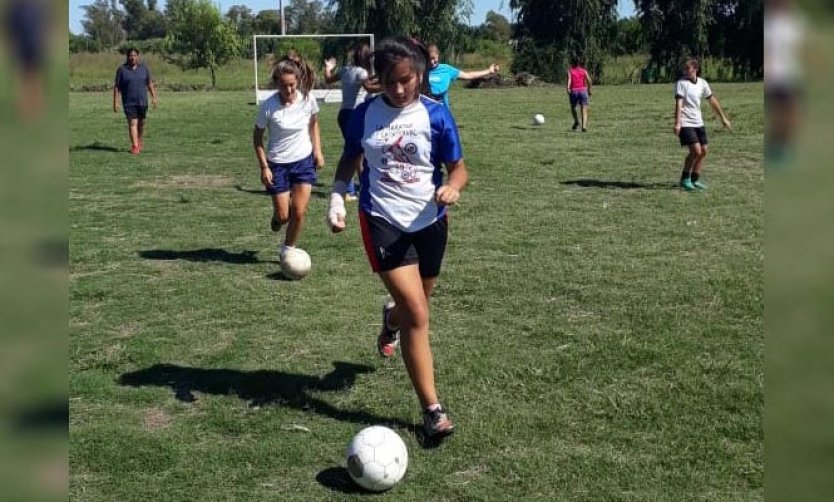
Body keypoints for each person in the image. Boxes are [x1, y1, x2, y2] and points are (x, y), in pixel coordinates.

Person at [326, 37, 469, 440]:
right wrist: (337, 197)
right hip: (382, 219)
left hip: (431, 221)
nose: (400, 89)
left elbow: (458, 167)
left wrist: (454, 187)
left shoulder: (436, 116)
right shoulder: (365, 115)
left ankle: (389, 321)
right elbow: (350, 157)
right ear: (379, 80)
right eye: (391, 82)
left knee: (414, 308)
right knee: (419, 315)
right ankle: (432, 410)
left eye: (406, 80)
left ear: (419, 75)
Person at [253, 54, 324, 260]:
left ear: (298, 81)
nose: (289, 90)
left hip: (303, 161)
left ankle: (287, 251)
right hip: (277, 165)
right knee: (284, 215)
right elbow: (257, 139)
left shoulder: (307, 100)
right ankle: (278, 218)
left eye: (292, 85)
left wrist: (317, 150)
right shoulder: (268, 106)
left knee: (299, 211)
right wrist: (264, 167)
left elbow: (313, 124)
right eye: (284, 86)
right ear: (277, 84)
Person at [324, 43, 382, 201]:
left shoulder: (345, 70)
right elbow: (369, 88)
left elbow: (328, 79)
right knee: (356, 151)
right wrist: (389, 86)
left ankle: (360, 185)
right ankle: (349, 190)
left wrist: (328, 67)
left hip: (343, 114)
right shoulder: (362, 72)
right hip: (355, 114)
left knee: (357, 150)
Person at [674, 58, 731, 191]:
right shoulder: (681, 83)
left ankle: (694, 180)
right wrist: (677, 123)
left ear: (695, 69)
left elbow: (712, 100)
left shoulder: (702, 83)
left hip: (698, 122)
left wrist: (723, 118)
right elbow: (679, 104)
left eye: (688, 68)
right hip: (686, 122)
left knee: (704, 151)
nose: (685, 71)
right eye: (684, 68)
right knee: (695, 151)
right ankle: (684, 179)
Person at [113, 48, 158, 155]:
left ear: (138, 56)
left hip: (142, 101)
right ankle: (135, 146)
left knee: (141, 124)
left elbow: (149, 83)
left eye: (134, 55)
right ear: (127, 57)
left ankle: (139, 140)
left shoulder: (144, 68)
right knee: (133, 123)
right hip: (129, 102)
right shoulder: (122, 70)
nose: (132, 57)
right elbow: (117, 87)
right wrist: (115, 102)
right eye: (130, 55)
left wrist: (154, 97)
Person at [426, 43, 499, 107]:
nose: (432, 62)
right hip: (426, 114)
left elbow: (468, 75)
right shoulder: (421, 71)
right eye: (429, 59)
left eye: (433, 58)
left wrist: (488, 71)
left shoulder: (447, 69)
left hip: (444, 114)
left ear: (438, 55)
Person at [566, 56, 592, 132]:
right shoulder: (584, 71)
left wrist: (568, 88)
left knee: (573, 108)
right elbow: (589, 81)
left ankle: (576, 121)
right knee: (584, 109)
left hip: (574, 91)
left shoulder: (570, 71)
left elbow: (569, 80)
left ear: (572, 63)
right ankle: (584, 126)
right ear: (579, 63)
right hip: (583, 91)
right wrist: (589, 90)